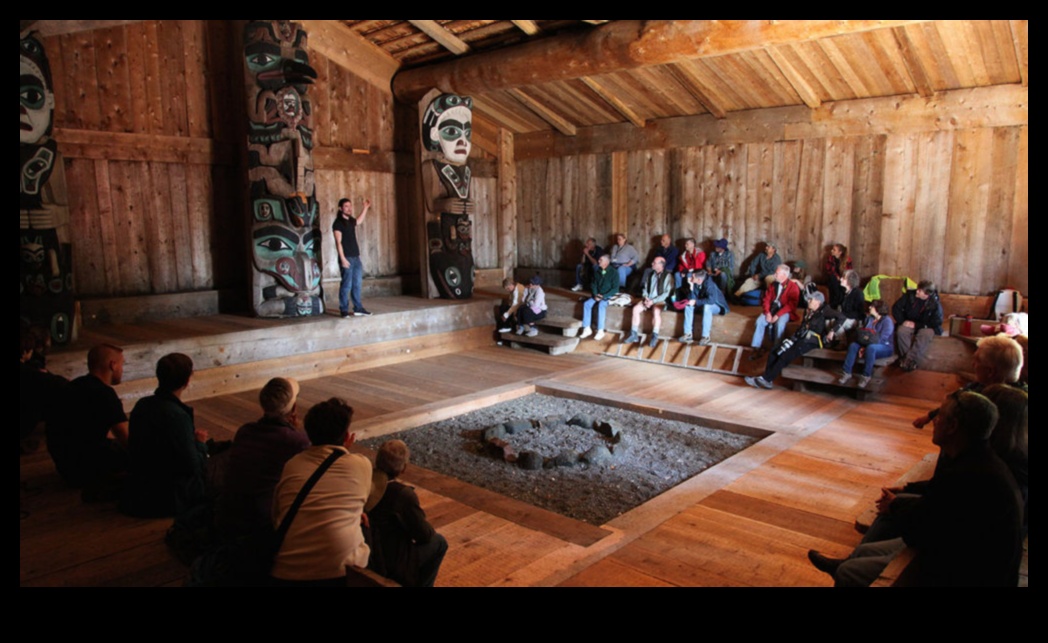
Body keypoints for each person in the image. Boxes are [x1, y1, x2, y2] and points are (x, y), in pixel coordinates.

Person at [807, 391, 1023, 587]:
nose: (934, 422)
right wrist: (901, 499)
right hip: (960, 551)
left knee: (849, 573)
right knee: (863, 551)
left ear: (953, 426)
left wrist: (895, 507)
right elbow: (935, 508)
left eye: (939, 417)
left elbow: (920, 529)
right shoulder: (975, 459)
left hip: (972, 574)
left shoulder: (968, 474)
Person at [271, 397, 372, 585]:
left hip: (286, 572)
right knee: (365, 521)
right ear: (346, 435)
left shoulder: (292, 465)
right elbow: (362, 499)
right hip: (341, 573)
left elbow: (277, 516)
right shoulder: (361, 464)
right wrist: (342, 451)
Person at [215, 377, 311, 541]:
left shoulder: (245, 431)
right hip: (261, 524)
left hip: (227, 514)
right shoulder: (297, 442)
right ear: (294, 408)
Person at [119, 353, 209, 518]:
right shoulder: (177, 416)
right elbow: (192, 466)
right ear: (187, 381)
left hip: (139, 490)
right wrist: (200, 444)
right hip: (169, 497)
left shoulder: (142, 405)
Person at [46, 343, 129, 494]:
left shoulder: (73, 387)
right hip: (87, 471)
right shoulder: (104, 394)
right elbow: (126, 438)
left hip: (65, 467)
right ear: (113, 365)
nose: (122, 370)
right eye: (122, 364)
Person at [366, 440, 448, 587]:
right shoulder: (401, 494)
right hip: (389, 561)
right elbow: (424, 535)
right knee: (439, 542)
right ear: (403, 468)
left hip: (368, 552)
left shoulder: (364, 481)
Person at [912, 334, 1026, 429]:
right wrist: (929, 416)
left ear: (990, 372)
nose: (973, 365)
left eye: (977, 361)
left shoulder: (982, 406)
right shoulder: (979, 387)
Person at [746, 291, 829, 389]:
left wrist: (832, 332)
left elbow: (839, 317)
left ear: (818, 302)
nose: (809, 301)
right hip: (800, 338)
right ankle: (766, 378)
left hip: (810, 341)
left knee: (785, 355)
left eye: (811, 299)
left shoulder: (823, 313)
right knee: (774, 350)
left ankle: (766, 379)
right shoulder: (808, 311)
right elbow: (802, 327)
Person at [747, 264, 800, 361]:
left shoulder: (793, 287)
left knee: (780, 324)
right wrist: (767, 312)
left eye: (777, 273)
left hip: (784, 311)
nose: (774, 275)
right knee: (759, 321)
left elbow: (791, 305)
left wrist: (777, 315)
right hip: (772, 309)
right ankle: (756, 347)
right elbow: (766, 300)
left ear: (784, 275)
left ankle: (776, 348)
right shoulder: (773, 285)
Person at [838, 299, 895, 389]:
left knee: (871, 348)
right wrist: (863, 344)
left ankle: (866, 376)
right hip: (868, 343)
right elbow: (864, 335)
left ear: (878, 309)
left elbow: (882, 339)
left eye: (872, 306)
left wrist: (865, 347)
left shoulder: (887, 321)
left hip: (885, 346)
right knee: (853, 345)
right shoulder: (869, 319)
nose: (869, 307)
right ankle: (846, 372)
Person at [333, 197, 373, 318]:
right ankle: (344, 309)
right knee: (346, 285)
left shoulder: (350, 220)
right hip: (347, 258)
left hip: (356, 257)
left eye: (350, 206)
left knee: (357, 284)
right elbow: (338, 242)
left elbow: (358, 221)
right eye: (346, 206)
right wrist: (343, 258)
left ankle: (358, 308)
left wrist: (365, 208)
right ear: (341, 208)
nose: (349, 208)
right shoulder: (338, 223)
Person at [892, 280, 943, 372]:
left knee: (925, 335)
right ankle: (909, 362)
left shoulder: (934, 303)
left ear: (926, 294)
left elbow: (937, 321)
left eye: (920, 290)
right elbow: (896, 308)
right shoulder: (909, 296)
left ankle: (908, 359)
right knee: (901, 331)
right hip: (909, 321)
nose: (917, 291)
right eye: (918, 289)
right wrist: (902, 321)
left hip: (926, 325)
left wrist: (918, 325)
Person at [624, 256, 673, 347]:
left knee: (656, 311)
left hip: (659, 300)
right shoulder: (650, 274)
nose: (652, 264)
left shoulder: (668, 276)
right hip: (648, 299)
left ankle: (654, 335)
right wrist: (646, 297)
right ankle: (634, 334)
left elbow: (666, 293)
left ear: (660, 265)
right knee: (636, 309)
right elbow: (645, 289)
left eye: (654, 262)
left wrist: (653, 301)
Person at [676, 270, 728, 345]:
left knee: (707, 307)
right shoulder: (695, 283)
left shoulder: (710, 285)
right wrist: (691, 287)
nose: (691, 278)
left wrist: (696, 302)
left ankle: (705, 337)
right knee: (688, 305)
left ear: (699, 280)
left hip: (716, 305)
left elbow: (711, 300)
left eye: (693, 277)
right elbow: (692, 298)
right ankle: (688, 334)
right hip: (703, 304)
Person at [578, 254, 620, 341]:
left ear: (606, 262)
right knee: (587, 304)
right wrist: (596, 294)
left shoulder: (614, 272)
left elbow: (615, 288)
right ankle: (586, 328)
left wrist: (604, 296)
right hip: (598, 295)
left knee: (601, 305)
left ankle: (600, 330)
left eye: (600, 260)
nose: (598, 261)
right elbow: (593, 284)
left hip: (608, 295)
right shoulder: (597, 271)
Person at [825, 269, 865, 347]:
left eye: (843, 278)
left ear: (850, 281)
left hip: (853, 319)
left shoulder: (858, 293)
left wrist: (842, 315)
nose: (841, 279)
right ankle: (833, 340)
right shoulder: (844, 292)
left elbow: (859, 312)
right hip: (843, 316)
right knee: (827, 321)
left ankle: (842, 342)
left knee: (837, 321)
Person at [824, 243, 853, 309]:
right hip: (834, 279)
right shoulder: (831, 258)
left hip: (844, 279)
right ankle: (837, 303)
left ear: (840, 252)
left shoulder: (847, 260)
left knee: (842, 286)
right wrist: (837, 277)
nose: (831, 251)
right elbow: (829, 270)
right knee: (832, 278)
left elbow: (849, 272)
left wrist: (842, 279)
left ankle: (835, 304)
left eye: (834, 250)